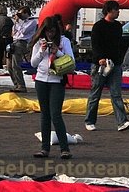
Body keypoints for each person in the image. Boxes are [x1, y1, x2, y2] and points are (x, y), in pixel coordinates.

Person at [84, 0, 129, 132]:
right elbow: (95, 44)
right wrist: (100, 58)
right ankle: (89, 120)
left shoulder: (118, 26)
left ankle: (122, 122)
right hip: (100, 65)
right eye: (116, 10)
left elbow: (119, 44)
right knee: (95, 93)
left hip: (115, 64)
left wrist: (119, 59)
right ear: (109, 11)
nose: (119, 12)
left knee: (116, 94)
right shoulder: (98, 26)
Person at [30, 16, 74, 159]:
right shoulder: (39, 43)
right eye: (47, 31)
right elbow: (33, 63)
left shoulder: (64, 41)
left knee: (55, 114)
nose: (50, 34)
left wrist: (58, 52)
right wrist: (42, 51)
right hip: (41, 80)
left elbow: (71, 62)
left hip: (57, 81)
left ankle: (64, 149)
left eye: (53, 31)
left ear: (57, 30)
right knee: (45, 114)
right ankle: (44, 148)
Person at [8, 6, 36, 93]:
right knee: (9, 65)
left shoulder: (32, 22)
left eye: (21, 14)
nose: (20, 16)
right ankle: (16, 84)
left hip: (22, 43)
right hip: (14, 42)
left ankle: (21, 86)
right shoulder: (18, 22)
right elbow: (13, 33)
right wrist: (16, 22)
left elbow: (24, 31)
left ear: (26, 13)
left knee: (16, 65)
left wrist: (19, 21)